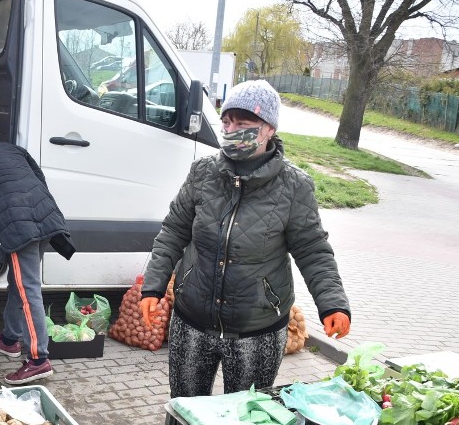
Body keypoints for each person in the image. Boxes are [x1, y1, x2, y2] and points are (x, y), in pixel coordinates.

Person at [138, 79, 351, 398]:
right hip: (192, 319)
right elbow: (174, 231)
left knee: (245, 418)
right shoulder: (203, 172)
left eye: (243, 122)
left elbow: (313, 250)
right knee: (184, 411)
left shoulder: (294, 186)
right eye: (226, 121)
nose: (231, 128)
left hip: (257, 330)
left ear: (269, 129)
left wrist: (333, 303)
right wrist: (153, 286)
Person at [0, 124, 75, 385]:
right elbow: (39, 180)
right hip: (45, 216)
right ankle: (10, 339)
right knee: (18, 283)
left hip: (18, 223)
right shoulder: (11, 149)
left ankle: (38, 360)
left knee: (28, 288)